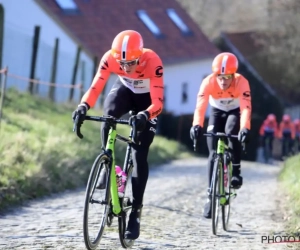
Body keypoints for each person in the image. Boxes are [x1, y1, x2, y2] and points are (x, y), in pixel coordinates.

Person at [72, 30, 164, 240]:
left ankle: (136, 212)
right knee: (108, 117)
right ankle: (109, 167)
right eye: (121, 63)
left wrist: (144, 115)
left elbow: (158, 103)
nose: (125, 67)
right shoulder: (110, 58)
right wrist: (82, 107)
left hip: (147, 101)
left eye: (130, 63)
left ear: (139, 57)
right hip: (124, 89)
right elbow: (96, 87)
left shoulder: (153, 61)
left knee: (139, 154)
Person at [189, 52, 251, 219]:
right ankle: (210, 197)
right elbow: (200, 107)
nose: (223, 82)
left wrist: (244, 128)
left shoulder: (242, 82)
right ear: (215, 75)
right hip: (216, 111)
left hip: (234, 111)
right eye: (220, 77)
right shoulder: (208, 82)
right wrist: (196, 125)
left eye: (227, 77)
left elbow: (245, 108)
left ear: (234, 75)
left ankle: (236, 170)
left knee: (232, 132)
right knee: (212, 149)